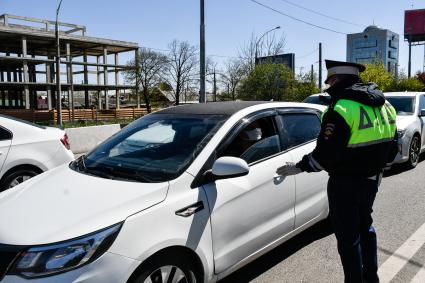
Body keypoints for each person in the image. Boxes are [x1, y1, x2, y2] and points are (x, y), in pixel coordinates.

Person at [276, 60, 398, 283]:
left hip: (345, 183)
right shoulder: (385, 104)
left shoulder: (340, 108)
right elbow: (393, 147)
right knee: (366, 228)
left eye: (330, 80)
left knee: (349, 238)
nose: (328, 84)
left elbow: (324, 156)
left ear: (336, 80)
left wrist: (300, 167)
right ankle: (371, 278)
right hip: (372, 180)